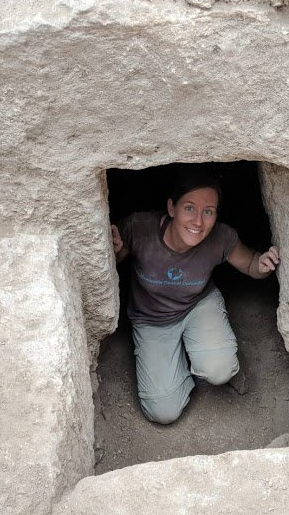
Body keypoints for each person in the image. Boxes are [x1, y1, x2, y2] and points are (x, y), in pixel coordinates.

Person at [111, 168, 280, 425]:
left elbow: (250, 263)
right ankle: (181, 363)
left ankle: (198, 354)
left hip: (197, 305)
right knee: (163, 412)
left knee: (219, 370)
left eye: (208, 211)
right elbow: (114, 261)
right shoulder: (139, 228)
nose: (198, 221)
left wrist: (263, 265)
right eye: (189, 208)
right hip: (152, 319)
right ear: (172, 207)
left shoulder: (221, 237)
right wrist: (113, 251)